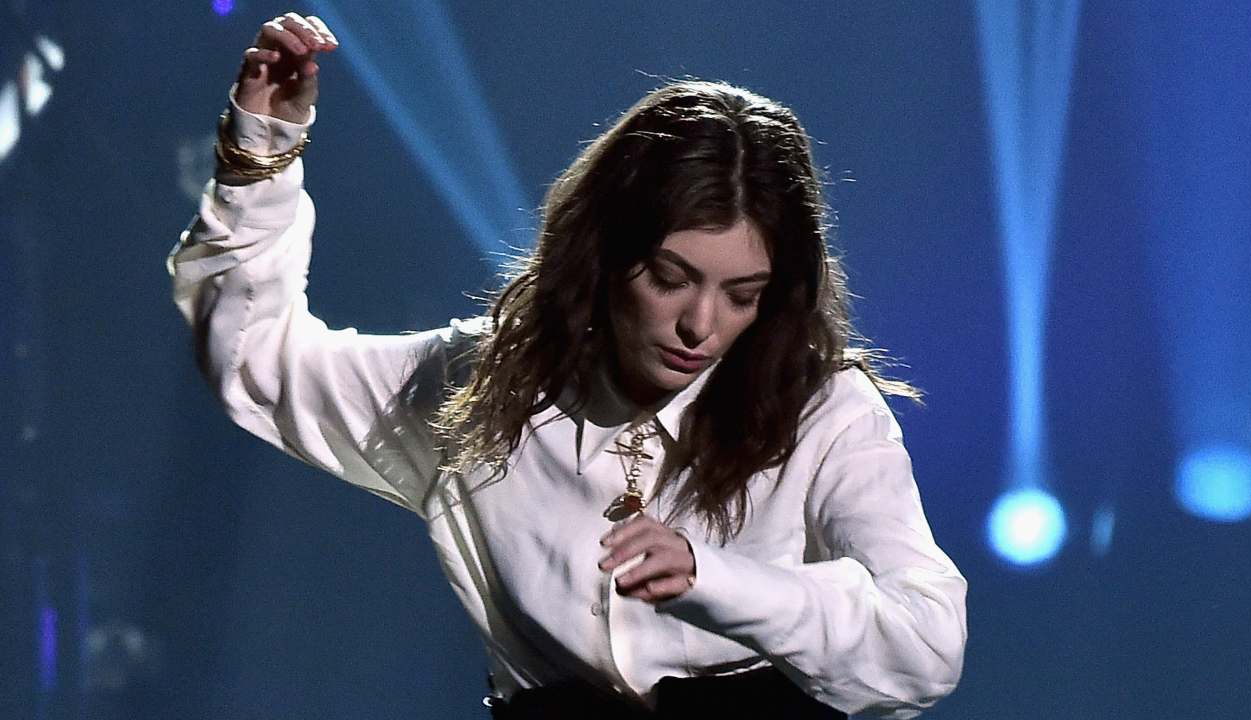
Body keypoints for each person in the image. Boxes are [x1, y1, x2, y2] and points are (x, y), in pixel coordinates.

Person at [169, 13, 967, 720]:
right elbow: (257, 361)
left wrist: (714, 582)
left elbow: (925, 648)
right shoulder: (483, 389)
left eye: (742, 294)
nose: (701, 324)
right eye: (670, 277)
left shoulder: (823, 414)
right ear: (604, 254)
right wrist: (259, 156)